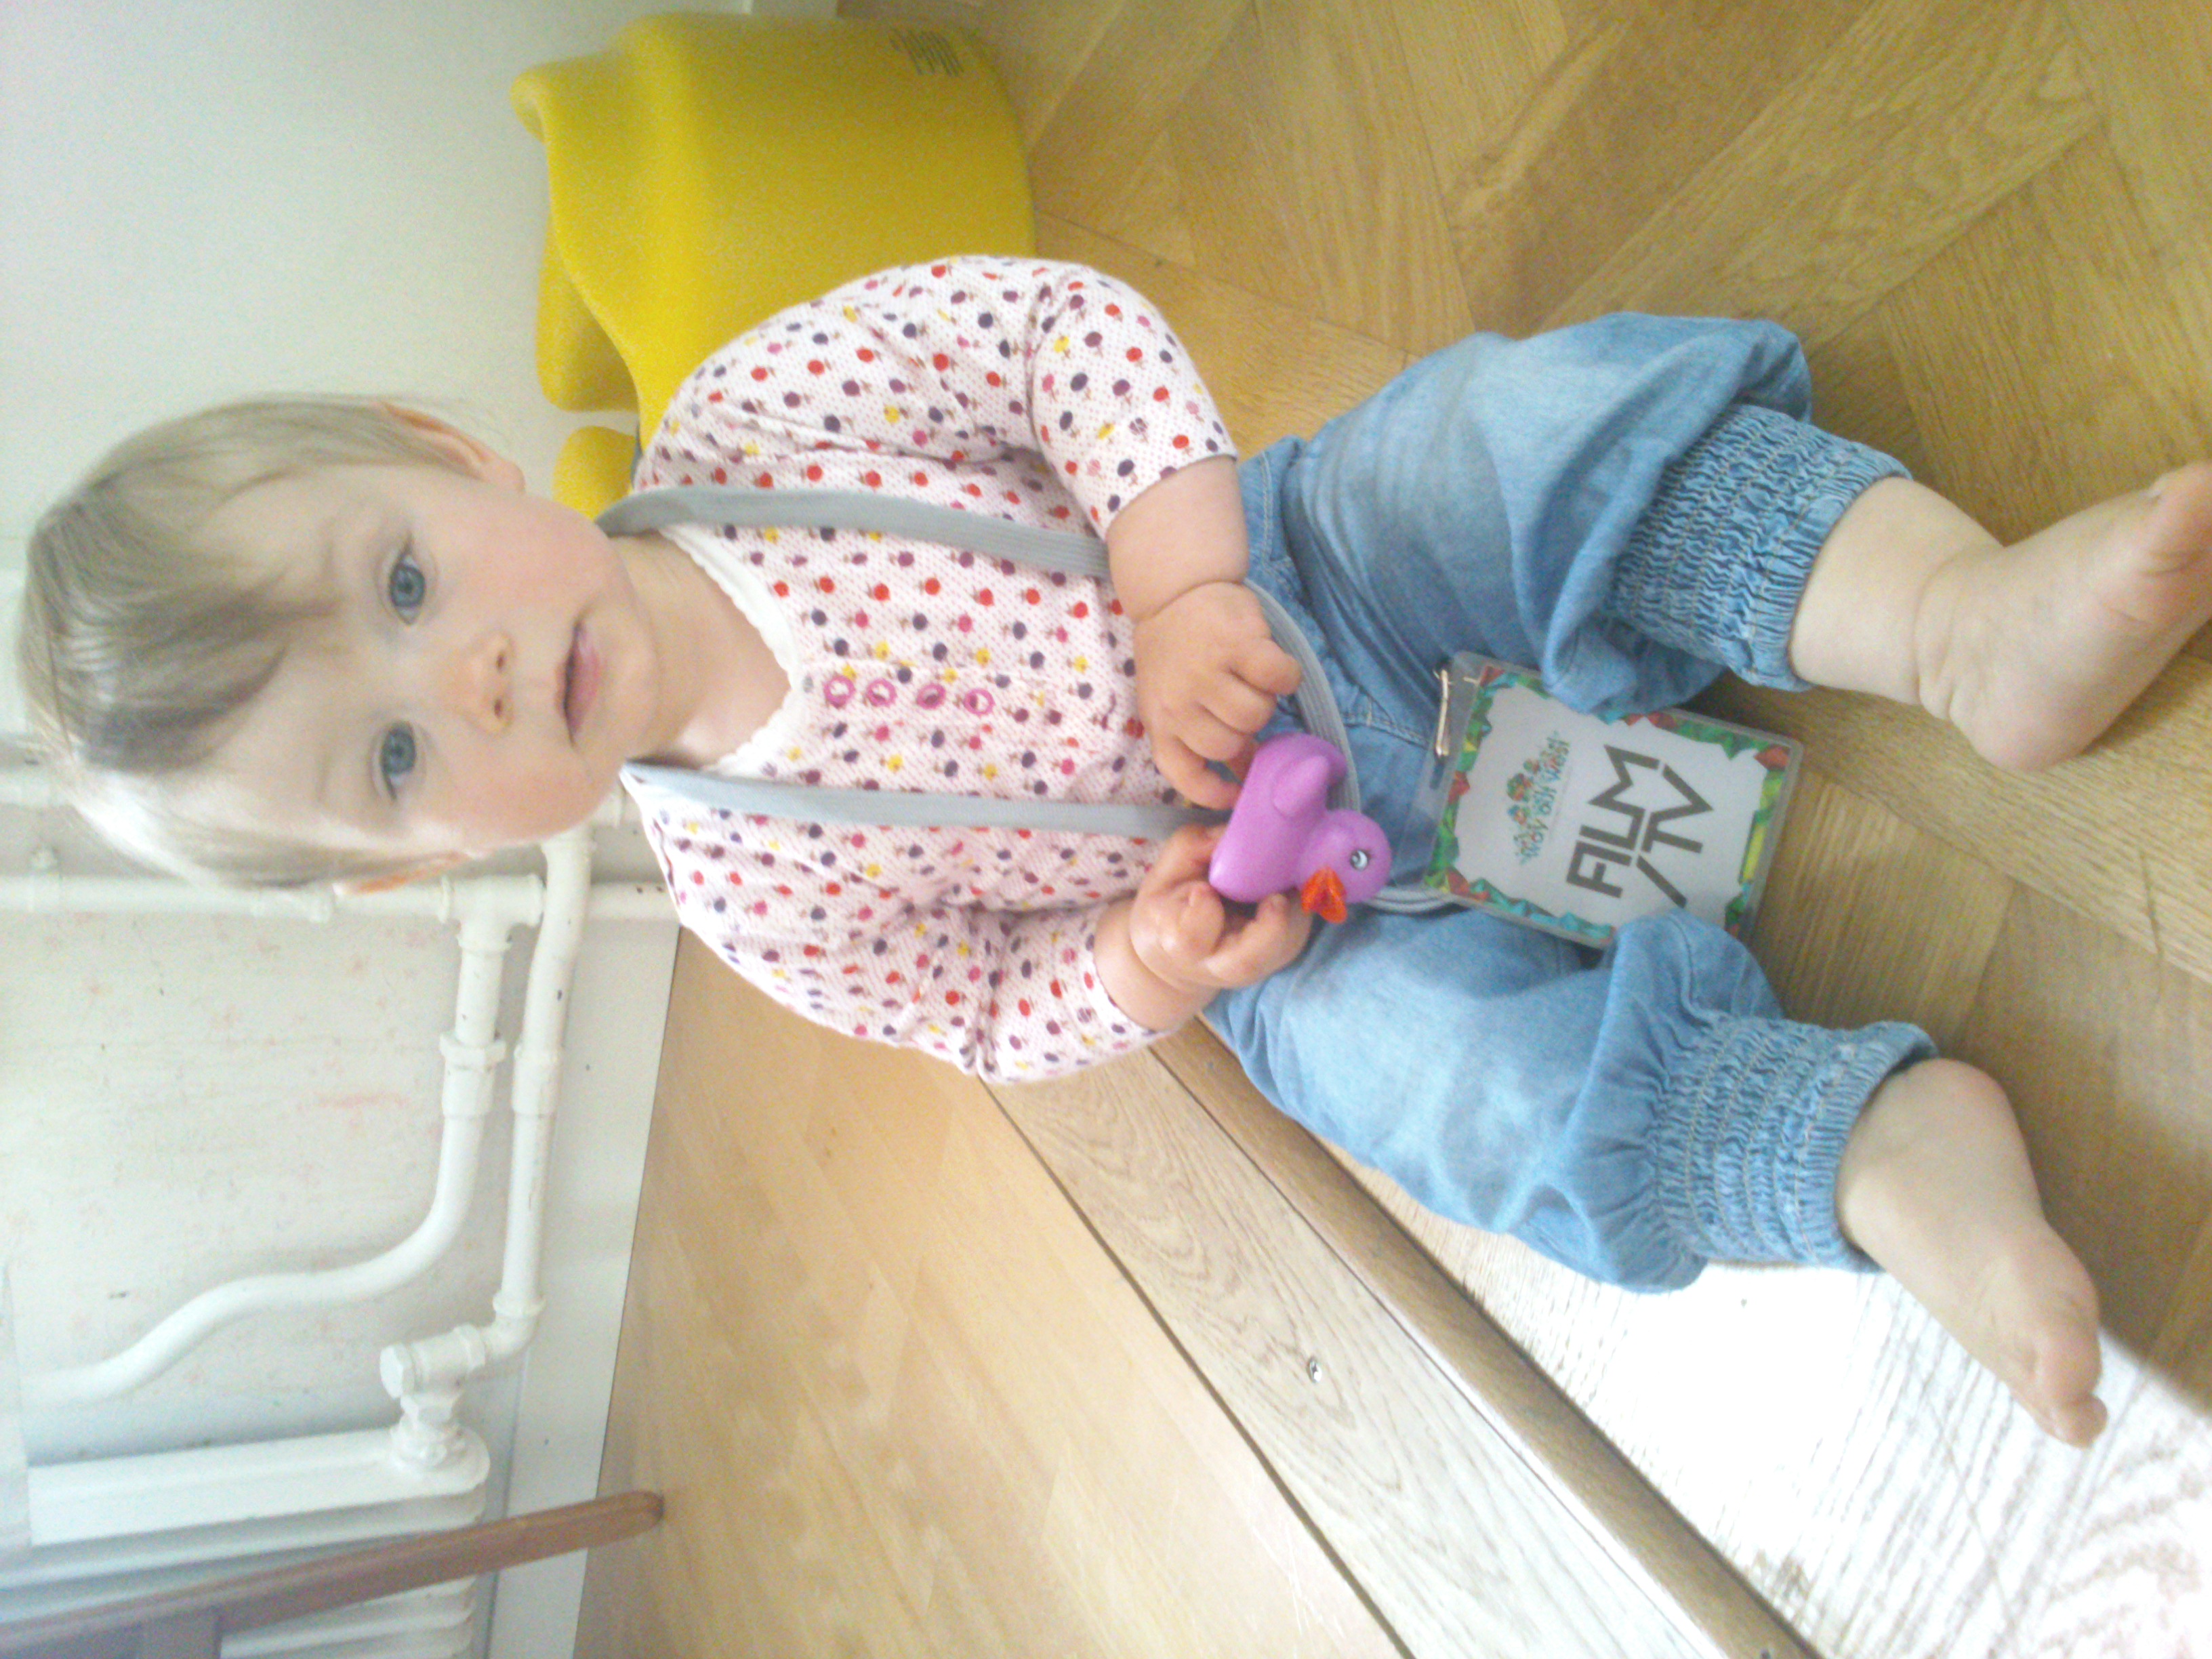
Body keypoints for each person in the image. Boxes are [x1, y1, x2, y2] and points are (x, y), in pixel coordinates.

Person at [23, 258, 2212, 1448]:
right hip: (1301, 910)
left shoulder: (766, 412)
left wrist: (1179, 587)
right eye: (396, 757)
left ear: (447, 453)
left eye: (408, 585)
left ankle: (1951, 618)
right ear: (418, 876)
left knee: (1505, 438)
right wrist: (1157, 963)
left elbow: (1063, 334)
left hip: (1305, 572)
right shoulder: (752, 896)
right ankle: (1860, 1152)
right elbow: (987, 1006)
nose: (476, 678)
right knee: (1432, 1097)